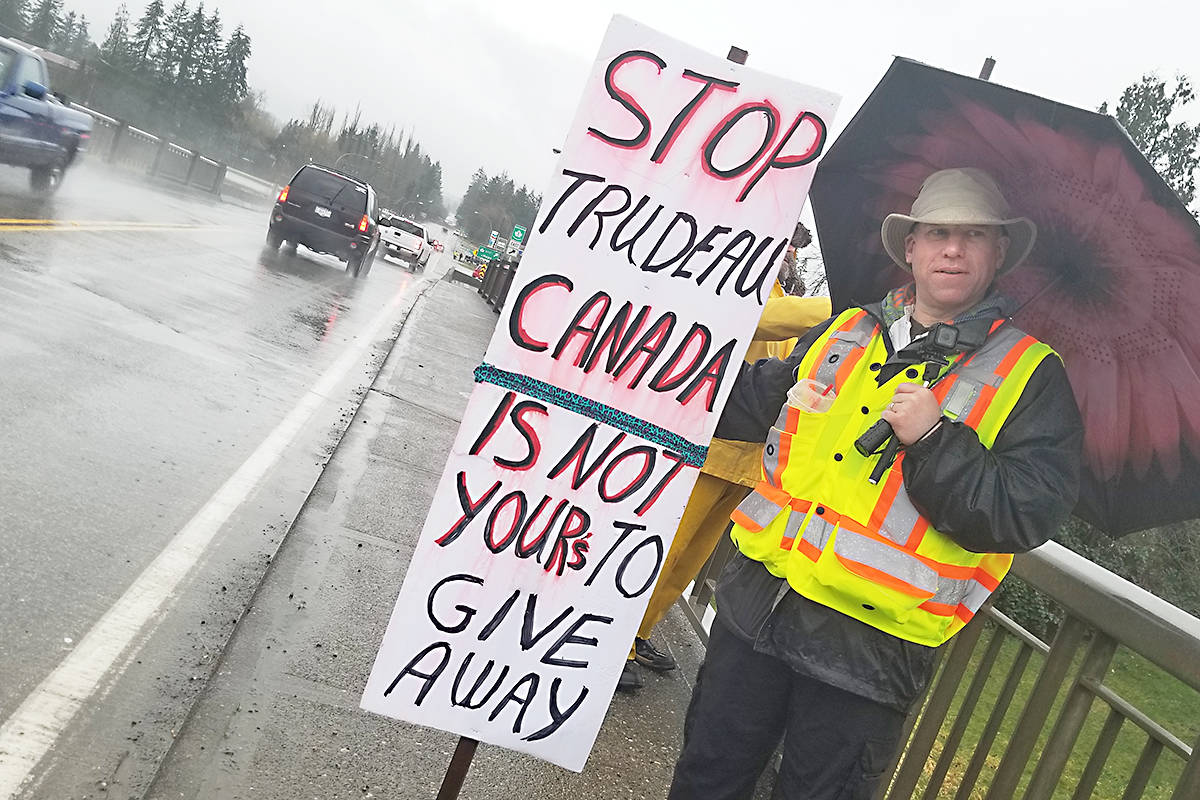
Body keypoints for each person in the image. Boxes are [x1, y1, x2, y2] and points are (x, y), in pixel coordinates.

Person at [667, 167, 1083, 799]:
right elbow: (740, 402)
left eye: (973, 236)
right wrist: (637, 345)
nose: (952, 248)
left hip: (867, 655)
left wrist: (935, 440)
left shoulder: (1031, 375)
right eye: (938, 232)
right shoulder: (846, 330)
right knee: (705, 781)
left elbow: (1023, 514)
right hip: (756, 609)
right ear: (909, 247)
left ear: (998, 254)